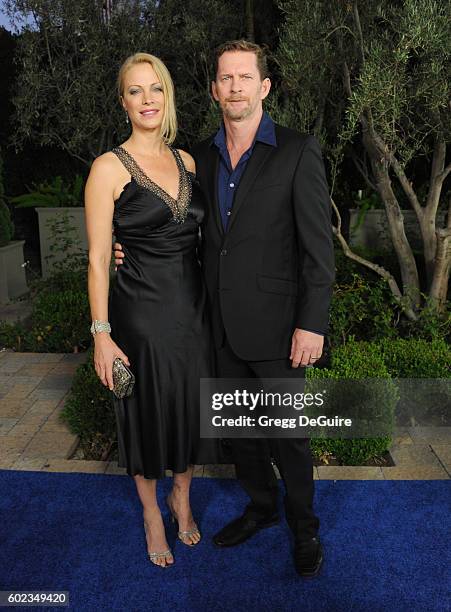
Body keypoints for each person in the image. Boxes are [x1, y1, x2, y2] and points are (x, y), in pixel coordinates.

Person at [115, 40, 335, 577]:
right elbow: (178, 226)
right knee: (241, 432)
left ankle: (304, 528)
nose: (234, 86)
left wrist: (312, 323)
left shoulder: (297, 150)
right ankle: (260, 508)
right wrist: (129, 247)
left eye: (245, 78)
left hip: (281, 329)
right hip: (215, 327)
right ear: (214, 89)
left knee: (289, 435)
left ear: (263, 87)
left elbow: (318, 250)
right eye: (224, 78)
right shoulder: (198, 157)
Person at [85, 52, 215, 568]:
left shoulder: (188, 161)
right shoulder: (108, 168)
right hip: (138, 314)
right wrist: (101, 334)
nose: (147, 100)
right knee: (144, 413)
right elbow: (97, 258)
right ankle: (151, 514)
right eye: (135, 91)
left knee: (188, 408)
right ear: (123, 102)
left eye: (155, 89)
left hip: (194, 309)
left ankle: (181, 497)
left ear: (168, 96)